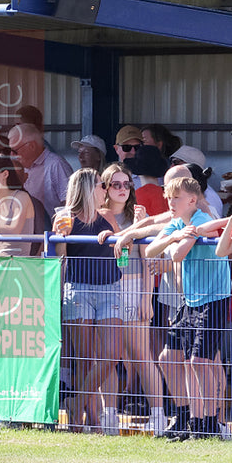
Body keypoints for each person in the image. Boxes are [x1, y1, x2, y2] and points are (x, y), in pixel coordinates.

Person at [149, 177, 231, 439]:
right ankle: (194, 421)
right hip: (190, 300)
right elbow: (151, 250)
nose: (170, 203)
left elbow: (176, 255)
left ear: (192, 200)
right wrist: (174, 235)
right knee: (188, 362)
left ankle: (208, 422)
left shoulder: (199, 218)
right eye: (168, 198)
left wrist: (191, 233)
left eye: (175, 198)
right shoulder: (177, 224)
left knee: (200, 361)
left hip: (214, 298)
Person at [93, 162, 167, 435]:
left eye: (127, 184)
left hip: (134, 287)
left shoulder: (140, 217)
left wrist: (146, 297)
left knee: (140, 355)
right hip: (105, 289)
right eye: (116, 184)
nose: (123, 189)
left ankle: (158, 415)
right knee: (107, 355)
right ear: (105, 187)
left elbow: (149, 259)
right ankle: (109, 414)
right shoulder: (97, 216)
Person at [54, 168, 124, 434]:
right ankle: (88, 422)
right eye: (100, 185)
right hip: (79, 288)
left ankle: (77, 403)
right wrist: (62, 237)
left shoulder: (107, 216)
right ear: (86, 188)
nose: (105, 189)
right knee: (83, 359)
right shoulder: (65, 217)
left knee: (111, 355)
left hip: (110, 288)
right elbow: (59, 255)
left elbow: (123, 253)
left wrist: (120, 250)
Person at [7, 123, 72, 212]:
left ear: (32, 146)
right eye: (9, 150)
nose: (11, 155)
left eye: (14, 151)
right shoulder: (18, 166)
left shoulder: (56, 165)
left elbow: (70, 203)